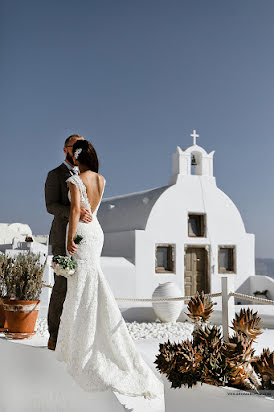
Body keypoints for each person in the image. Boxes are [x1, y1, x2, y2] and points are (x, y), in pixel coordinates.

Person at [54, 139, 163, 399]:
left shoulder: (75, 179)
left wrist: (69, 238)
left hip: (81, 231)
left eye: (72, 154)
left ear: (77, 157)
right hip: (96, 232)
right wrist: (84, 212)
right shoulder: (102, 180)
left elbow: (73, 212)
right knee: (92, 280)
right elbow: (91, 208)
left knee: (80, 283)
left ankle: (78, 345)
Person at [45, 134, 93, 351]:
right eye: (75, 147)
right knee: (62, 286)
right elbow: (50, 206)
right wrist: (74, 213)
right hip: (60, 237)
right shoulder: (54, 175)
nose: (79, 151)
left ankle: (73, 335)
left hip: (82, 239)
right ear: (65, 149)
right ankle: (54, 336)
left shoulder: (86, 176)